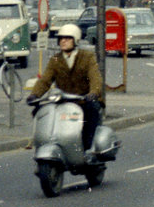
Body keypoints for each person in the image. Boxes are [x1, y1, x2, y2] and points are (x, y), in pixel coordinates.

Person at [27, 23, 105, 156]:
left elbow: (95, 77)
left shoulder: (87, 57)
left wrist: (93, 93)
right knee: (39, 111)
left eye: (67, 38)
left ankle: (88, 149)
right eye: (61, 38)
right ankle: (43, 143)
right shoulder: (55, 59)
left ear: (76, 41)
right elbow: (45, 80)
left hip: (83, 100)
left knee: (91, 113)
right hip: (63, 101)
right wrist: (34, 95)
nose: (63, 41)